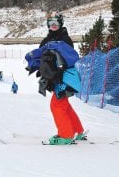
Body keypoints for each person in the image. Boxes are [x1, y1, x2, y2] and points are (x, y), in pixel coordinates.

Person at [39, 12, 85, 145]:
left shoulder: (64, 39)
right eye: (51, 23)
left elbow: (67, 59)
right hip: (55, 78)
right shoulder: (48, 39)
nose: (53, 25)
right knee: (64, 104)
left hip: (63, 79)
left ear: (61, 24)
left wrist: (58, 71)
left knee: (57, 105)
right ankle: (77, 130)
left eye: (56, 23)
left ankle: (66, 135)